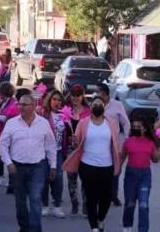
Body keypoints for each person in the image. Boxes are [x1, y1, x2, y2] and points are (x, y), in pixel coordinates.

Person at [0, 94, 57, 232]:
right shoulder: (11, 123)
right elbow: (2, 145)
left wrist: (53, 165)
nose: (21, 107)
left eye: (25, 105)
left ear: (34, 106)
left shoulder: (43, 123)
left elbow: (50, 145)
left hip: (38, 166)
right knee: (20, 201)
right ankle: (24, 227)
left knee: (36, 198)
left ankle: (35, 229)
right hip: (17, 167)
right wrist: (8, 162)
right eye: (19, 104)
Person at [63, 97, 121, 232]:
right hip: (87, 165)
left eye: (100, 104)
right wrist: (74, 140)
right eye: (94, 104)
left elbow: (115, 143)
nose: (97, 106)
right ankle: (94, 227)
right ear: (90, 107)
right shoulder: (83, 123)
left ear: (104, 108)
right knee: (91, 197)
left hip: (107, 166)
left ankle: (101, 219)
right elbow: (76, 143)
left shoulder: (111, 123)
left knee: (106, 198)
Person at [120, 118, 160, 232]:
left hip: (145, 176)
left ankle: (143, 229)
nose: (136, 129)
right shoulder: (128, 141)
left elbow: (155, 159)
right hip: (131, 175)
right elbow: (122, 157)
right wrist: (116, 172)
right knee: (130, 202)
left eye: (139, 126)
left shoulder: (150, 142)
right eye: (134, 126)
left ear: (145, 128)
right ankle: (127, 225)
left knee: (143, 204)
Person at [38, 90, 71, 218]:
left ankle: (57, 206)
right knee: (44, 178)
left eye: (59, 100)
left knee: (58, 179)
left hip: (58, 152)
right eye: (54, 99)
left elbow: (67, 134)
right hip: (44, 152)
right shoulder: (43, 114)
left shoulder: (65, 116)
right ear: (49, 100)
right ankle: (45, 205)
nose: (57, 102)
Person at [96, 83, 129, 207]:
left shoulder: (117, 105)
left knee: (116, 168)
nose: (100, 97)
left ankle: (113, 196)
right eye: (98, 94)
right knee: (101, 168)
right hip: (99, 142)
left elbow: (125, 122)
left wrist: (126, 138)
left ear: (106, 94)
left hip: (114, 141)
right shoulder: (95, 105)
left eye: (102, 94)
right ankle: (101, 194)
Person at [64, 84, 89, 216]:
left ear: (82, 96)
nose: (75, 98)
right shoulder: (65, 110)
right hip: (70, 149)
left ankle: (86, 205)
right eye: (73, 95)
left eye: (78, 95)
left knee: (85, 178)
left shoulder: (88, 111)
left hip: (85, 149)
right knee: (71, 178)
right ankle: (74, 204)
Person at [0, 82, 18, 191]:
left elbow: (12, 116)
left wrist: (1, 117)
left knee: (10, 157)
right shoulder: (1, 103)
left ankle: (11, 181)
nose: (1, 95)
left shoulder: (14, 103)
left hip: (9, 134)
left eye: (2, 93)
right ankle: (0, 176)